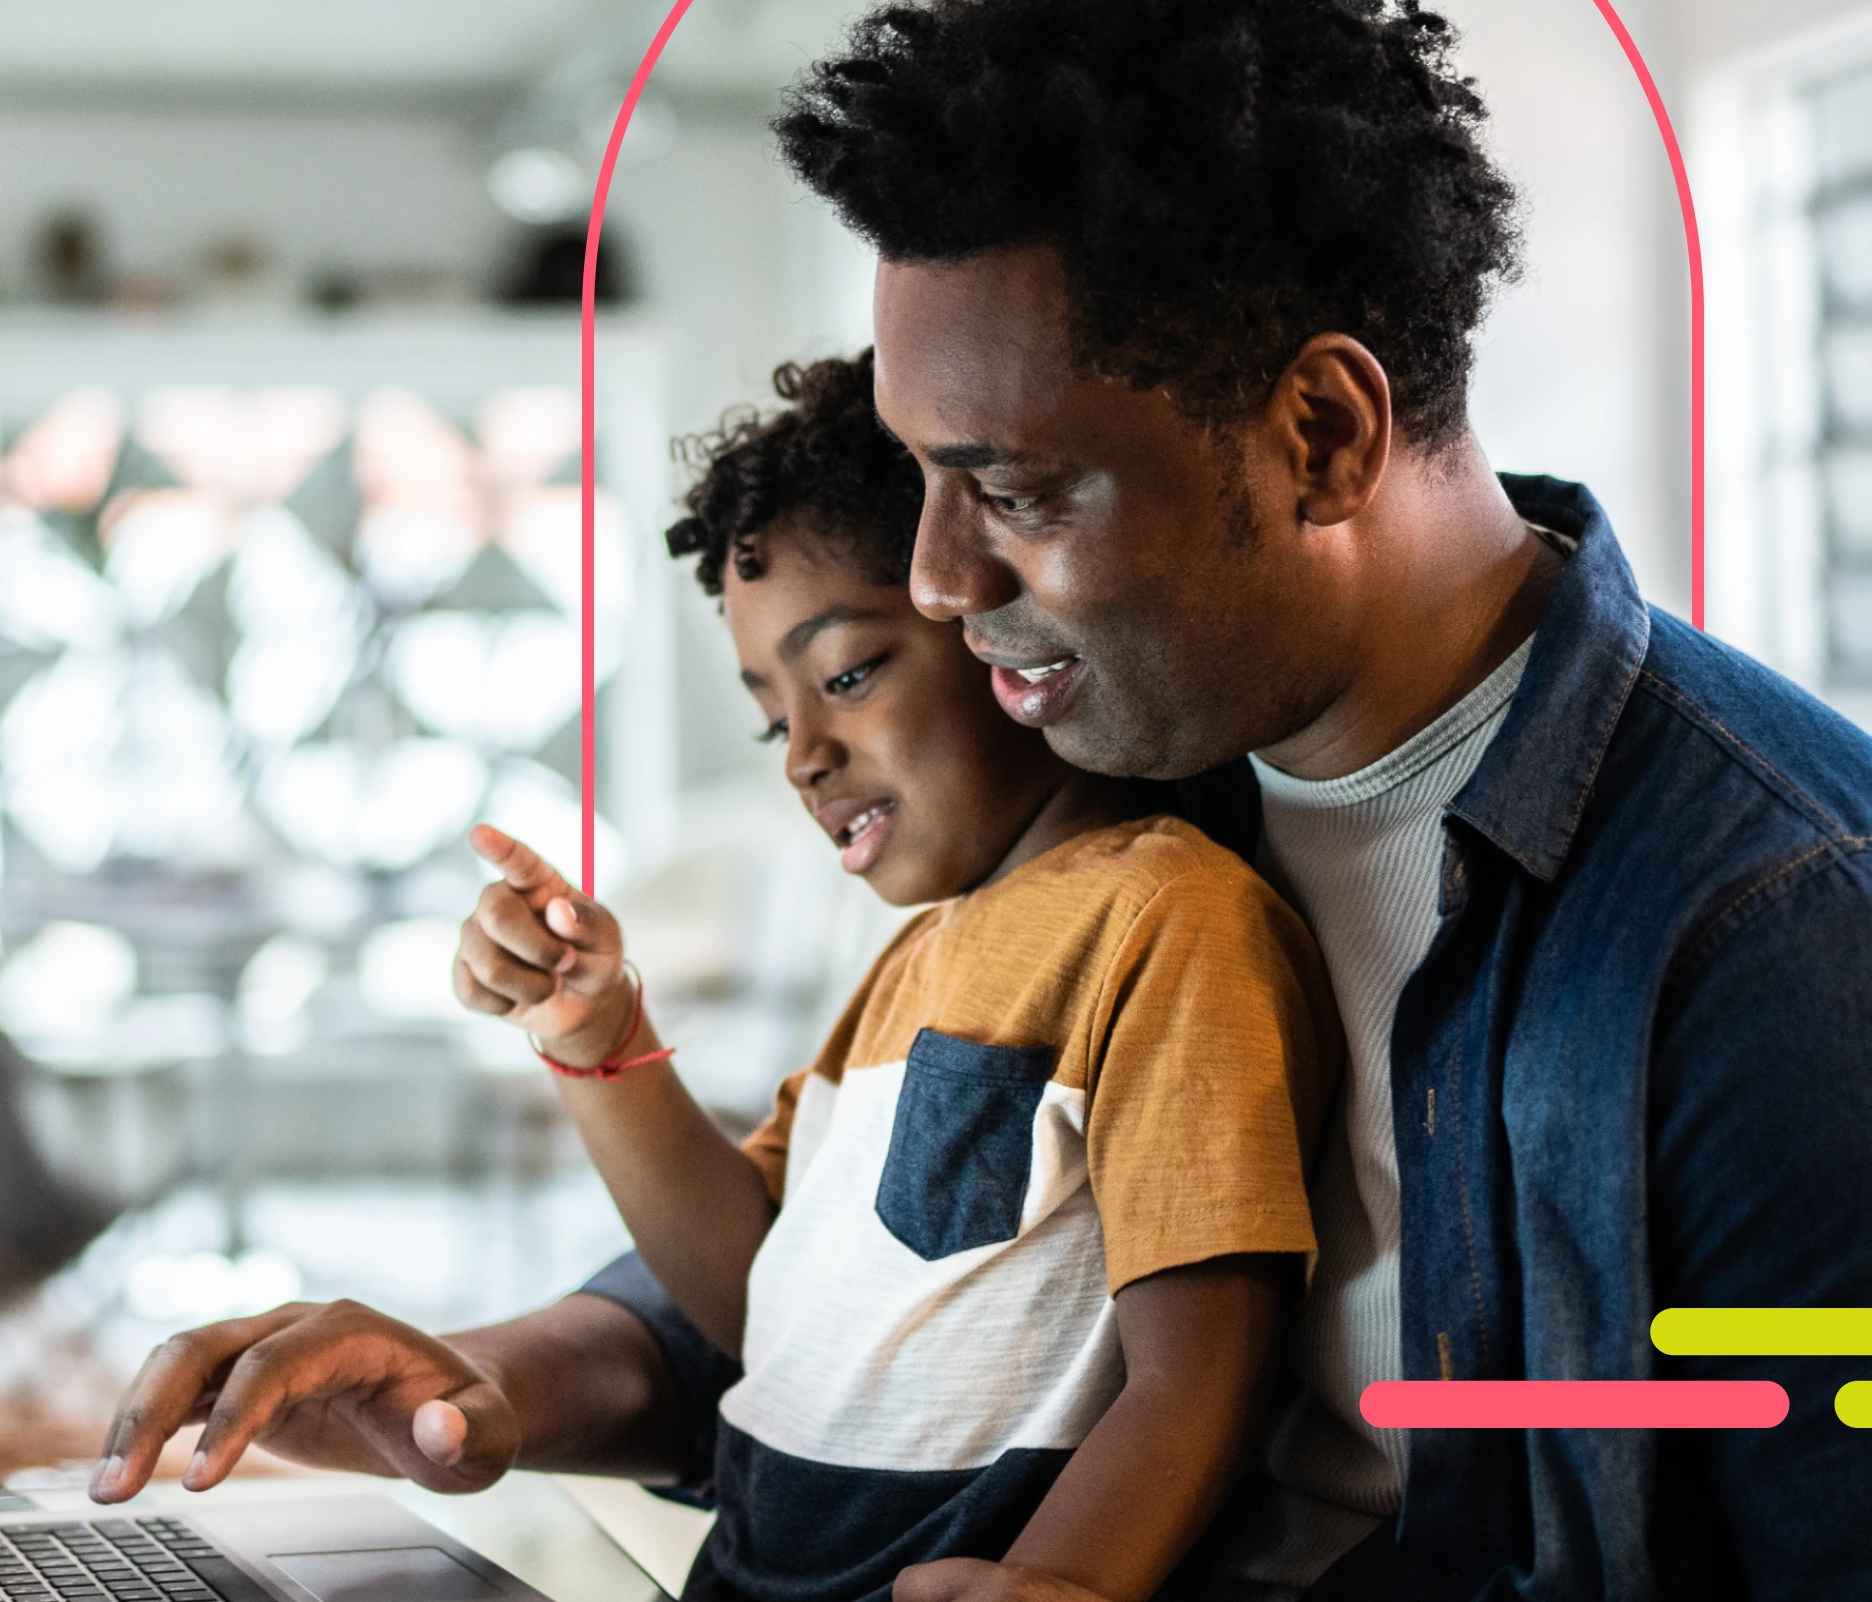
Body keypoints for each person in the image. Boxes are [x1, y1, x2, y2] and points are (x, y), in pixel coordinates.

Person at [92, 0, 1872, 1599]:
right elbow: (865, 1285)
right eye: (920, 481)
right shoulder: (1128, 781)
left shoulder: (1811, 959)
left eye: (1011, 491)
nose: (928, 582)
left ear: (1322, 433)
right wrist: (486, 1385)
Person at [448, 355, 1337, 1602]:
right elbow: (758, 1305)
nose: (805, 756)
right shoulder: (913, 960)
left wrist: (1069, 1583)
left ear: (997, 626)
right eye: (774, 718)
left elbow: (1204, 1369)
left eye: (849, 676)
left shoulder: (1169, 918)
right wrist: (597, 1043)